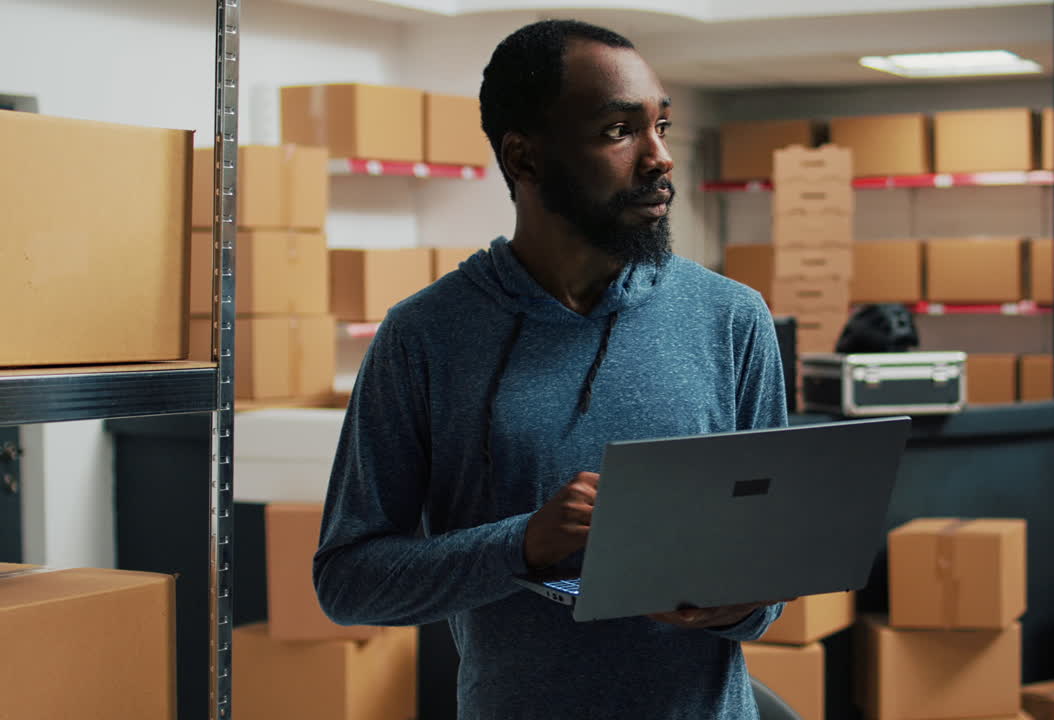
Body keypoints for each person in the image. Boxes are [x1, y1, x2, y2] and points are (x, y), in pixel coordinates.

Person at [314, 18, 789, 719]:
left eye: (660, 125)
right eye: (619, 131)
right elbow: (350, 581)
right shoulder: (425, 337)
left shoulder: (732, 318)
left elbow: (770, 569)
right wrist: (525, 544)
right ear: (525, 159)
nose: (659, 158)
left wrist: (736, 606)